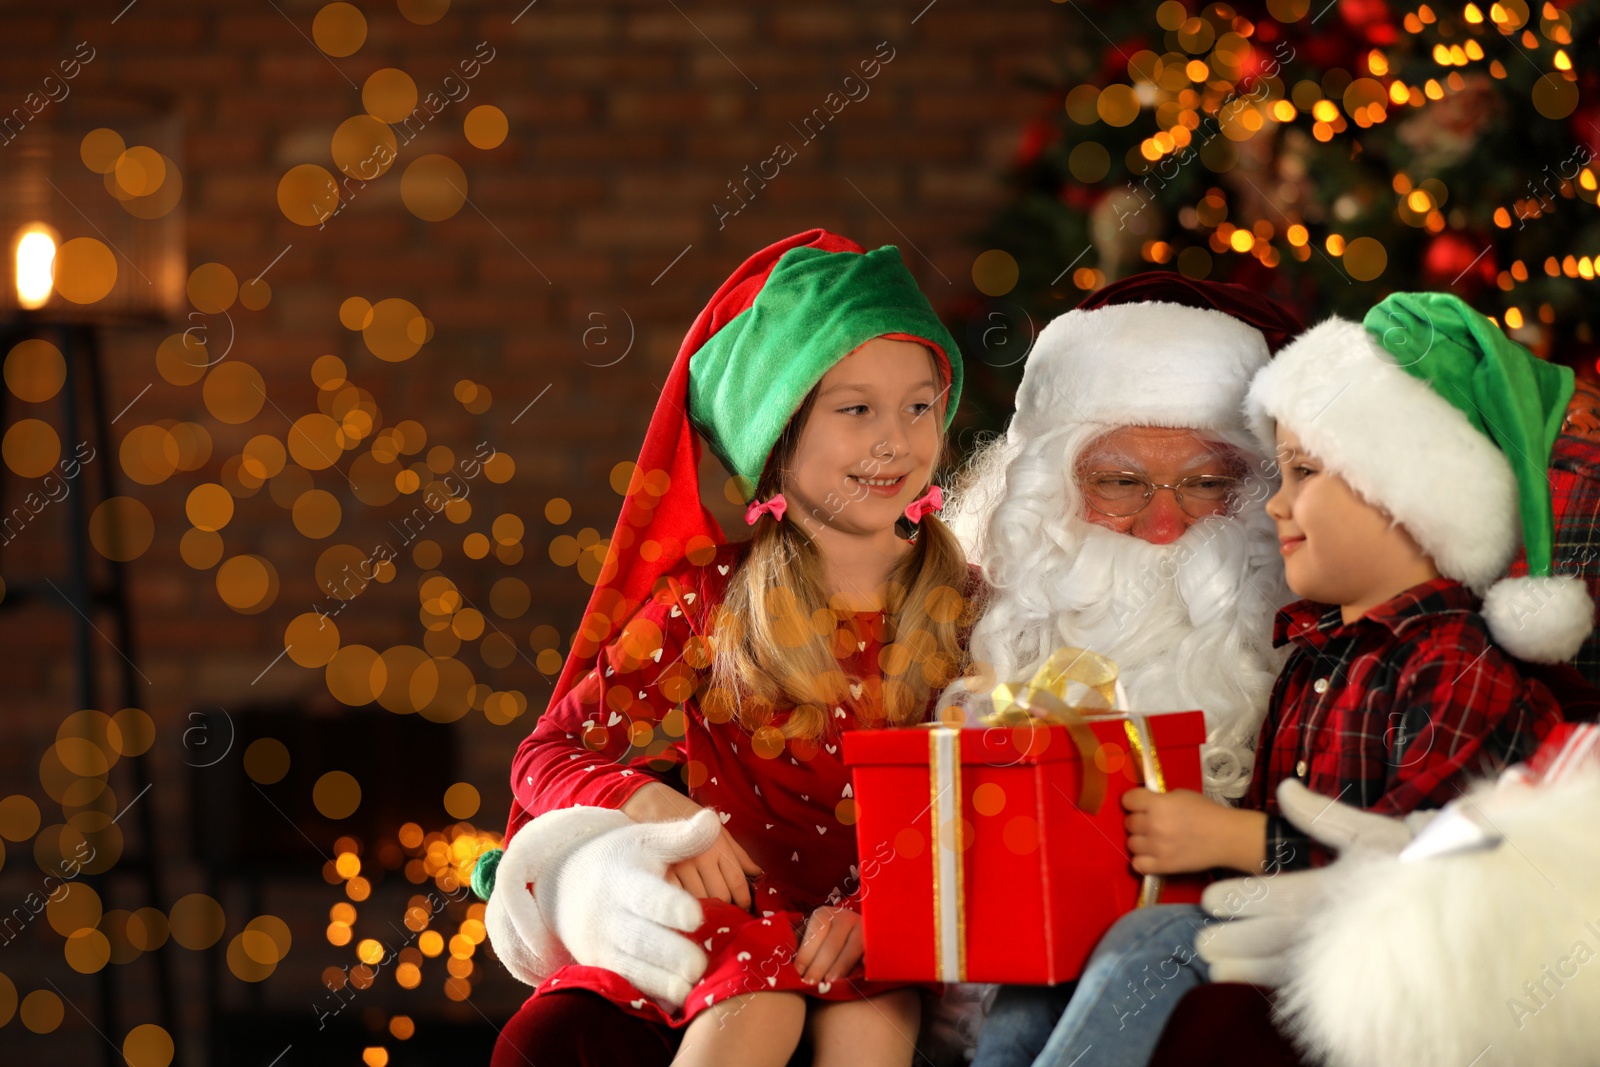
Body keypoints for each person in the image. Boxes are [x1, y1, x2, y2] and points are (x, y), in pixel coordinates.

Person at [1018, 291, 1584, 1067]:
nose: (1275, 505)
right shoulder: (1314, 651)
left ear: (1408, 494)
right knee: (1041, 978)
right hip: (1257, 922)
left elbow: (1424, 868)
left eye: (1303, 472)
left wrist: (1230, 838)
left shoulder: (1456, 663)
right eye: (1122, 483)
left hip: (1374, 962)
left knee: (1151, 942)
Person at [479, 229, 982, 1067]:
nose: (895, 439)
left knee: (870, 1030)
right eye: (856, 409)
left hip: (889, 930)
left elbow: (980, 794)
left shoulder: (974, 612)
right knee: (760, 1005)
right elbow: (546, 754)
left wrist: (880, 907)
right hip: (737, 931)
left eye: (919, 404)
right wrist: (661, 808)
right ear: (778, 438)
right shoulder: (706, 606)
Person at [944, 272, 1304, 1065]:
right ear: (1045, 494)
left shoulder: (1315, 639)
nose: (1165, 523)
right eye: (1119, 483)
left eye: (1209, 484)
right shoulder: (956, 616)